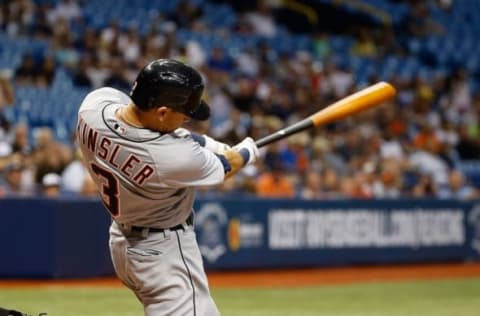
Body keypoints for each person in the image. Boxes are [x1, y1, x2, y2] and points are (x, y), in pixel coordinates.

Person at [76, 58, 259, 316]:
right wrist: (250, 149)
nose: (186, 120)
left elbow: (165, 134)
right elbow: (228, 164)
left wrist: (205, 143)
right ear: (162, 112)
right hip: (163, 253)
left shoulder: (93, 107)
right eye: (183, 115)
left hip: (122, 242)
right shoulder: (173, 159)